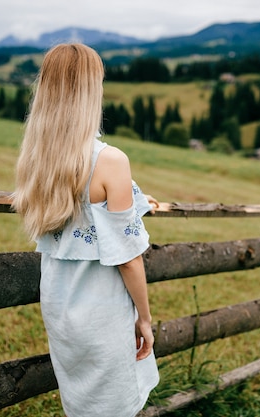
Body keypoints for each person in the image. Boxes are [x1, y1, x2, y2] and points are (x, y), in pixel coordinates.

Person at [12, 43, 159, 417]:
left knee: (82, 406)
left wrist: (139, 202)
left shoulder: (37, 158)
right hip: (102, 311)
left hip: (61, 307)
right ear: (90, 90)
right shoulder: (110, 160)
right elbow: (128, 258)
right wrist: (144, 317)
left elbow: (82, 205)